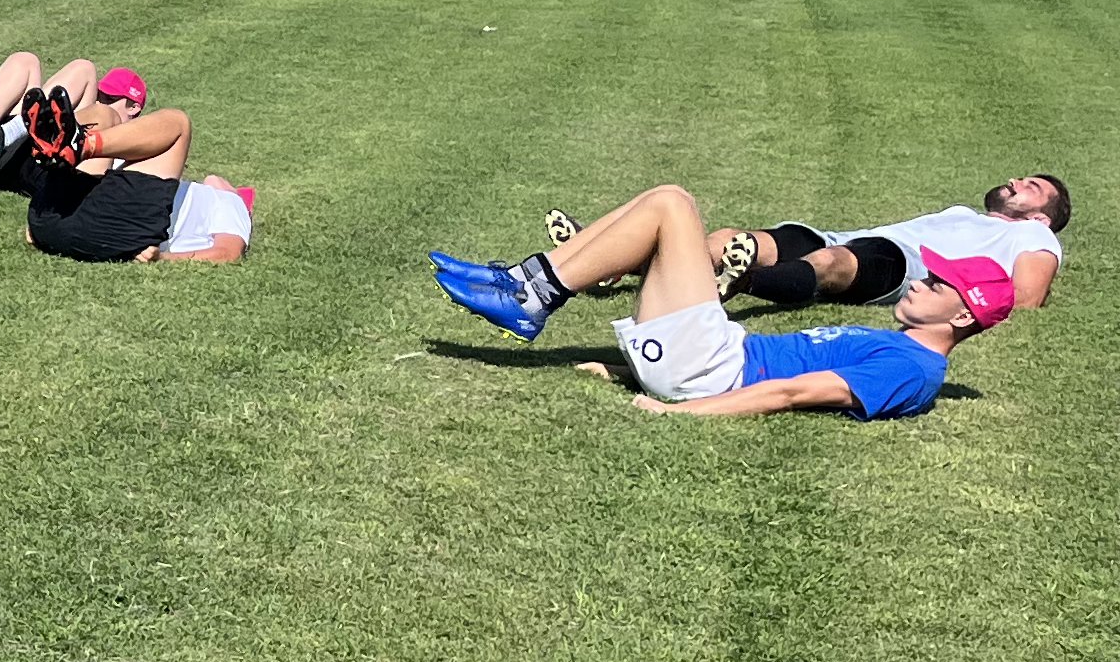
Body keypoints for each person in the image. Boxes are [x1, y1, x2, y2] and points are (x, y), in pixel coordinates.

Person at [433, 183, 1009, 417]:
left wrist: (675, 410)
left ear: (962, 314)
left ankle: (532, 293)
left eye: (936, 285)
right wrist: (626, 371)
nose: (920, 284)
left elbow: (791, 392)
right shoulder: (901, 347)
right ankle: (522, 281)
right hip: (709, 358)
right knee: (662, 203)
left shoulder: (913, 370)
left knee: (672, 205)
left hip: (710, 370)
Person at [641, 176, 1070, 316]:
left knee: (830, 263)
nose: (1015, 182)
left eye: (1030, 187)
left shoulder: (1035, 235)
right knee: (730, 238)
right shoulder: (964, 213)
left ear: (1040, 216)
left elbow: (1028, 299)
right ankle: (619, 265)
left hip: (906, 264)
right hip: (848, 237)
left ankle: (745, 279)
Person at [0, 66, 242, 262]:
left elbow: (228, 252)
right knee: (105, 114)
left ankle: (79, 143)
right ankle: (68, 141)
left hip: (114, 228)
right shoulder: (201, 193)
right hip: (54, 221)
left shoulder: (232, 204)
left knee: (178, 122)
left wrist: (161, 258)